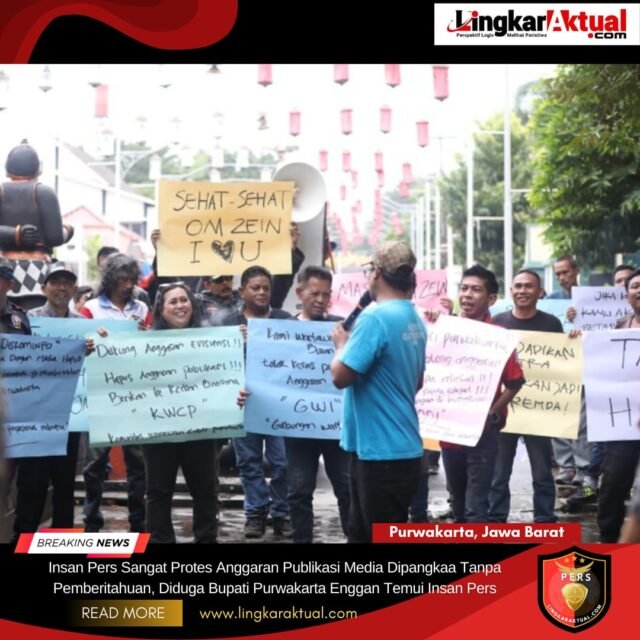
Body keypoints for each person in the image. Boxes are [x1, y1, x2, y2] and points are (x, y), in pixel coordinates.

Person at [330, 241, 426, 543]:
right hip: (399, 448)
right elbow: (417, 382)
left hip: (380, 454)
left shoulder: (374, 318)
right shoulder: (414, 318)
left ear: (376, 273)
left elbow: (340, 377)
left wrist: (341, 346)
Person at [12, 263, 95, 538]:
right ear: (43, 288)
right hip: (34, 418)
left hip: (70, 418)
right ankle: (23, 541)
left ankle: (60, 543)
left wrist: (94, 348)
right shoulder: (27, 321)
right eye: (55, 282)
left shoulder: (83, 325)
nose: (61, 287)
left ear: (74, 288)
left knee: (65, 485)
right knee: (31, 485)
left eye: (67, 283)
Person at [440, 265, 525, 523]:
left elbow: (515, 382)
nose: (467, 295)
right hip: (449, 430)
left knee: (476, 506)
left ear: (491, 299)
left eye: (476, 290)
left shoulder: (499, 337)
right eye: (464, 288)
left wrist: (492, 411)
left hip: (483, 433)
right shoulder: (444, 331)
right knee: (457, 502)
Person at [143, 282, 218, 543]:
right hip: (159, 430)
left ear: (193, 305)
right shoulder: (142, 343)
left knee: (205, 490)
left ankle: (206, 540)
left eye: (184, 300)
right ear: (161, 309)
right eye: (172, 301)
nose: (179, 306)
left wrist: (236, 394)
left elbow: (225, 379)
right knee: (158, 492)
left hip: (200, 429)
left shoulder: (212, 342)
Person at [80, 253, 150, 533]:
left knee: (138, 462)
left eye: (131, 279)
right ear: (110, 279)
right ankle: (91, 521)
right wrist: (89, 343)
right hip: (101, 395)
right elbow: (80, 344)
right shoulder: (91, 309)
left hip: (134, 395)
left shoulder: (142, 309)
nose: (128, 284)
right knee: (95, 464)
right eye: (122, 279)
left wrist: (147, 336)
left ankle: (138, 521)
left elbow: (153, 346)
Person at [222, 266, 292, 539]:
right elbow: (215, 363)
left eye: (266, 288)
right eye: (255, 288)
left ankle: (281, 512)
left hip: (279, 406)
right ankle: (255, 513)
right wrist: (232, 342)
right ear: (242, 291)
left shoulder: (284, 320)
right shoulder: (229, 324)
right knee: (248, 462)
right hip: (244, 406)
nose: (262, 292)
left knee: (283, 462)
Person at [488, 269, 561, 523]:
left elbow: (565, 363)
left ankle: (544, 519)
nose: (522, 291)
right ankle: (496, 520)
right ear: (511, 291)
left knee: (542, 472)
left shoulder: (552, 324)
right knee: (498, 472)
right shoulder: (498, 323)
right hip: (504, 410)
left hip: (538, 412)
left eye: (528, 286)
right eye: (518, 286)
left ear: (540, 292)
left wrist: (573, 339)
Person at [284, 266, 350, 543]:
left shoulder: (340, 328)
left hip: (336, 427)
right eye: (315, 293)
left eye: (326, 294)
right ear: (300, 292)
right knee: (299, 491)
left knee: (346, 487)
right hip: (297, 427)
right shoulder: (281, 330)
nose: (321, 300)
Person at [0, 142, 74, 309]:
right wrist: (68, 230)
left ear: (7, 169)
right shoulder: (44, 192)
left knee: (5, 318)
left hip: (4, 270)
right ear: (37, 170)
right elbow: (55, 237)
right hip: (37, 270)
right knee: (34, 318)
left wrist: (14, 234)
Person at [597, 267, 640, 542]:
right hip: (623, 425)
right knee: (613, 484)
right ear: (627, 295)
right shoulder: (618, 328)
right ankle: (608, 541)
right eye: (635, 286)